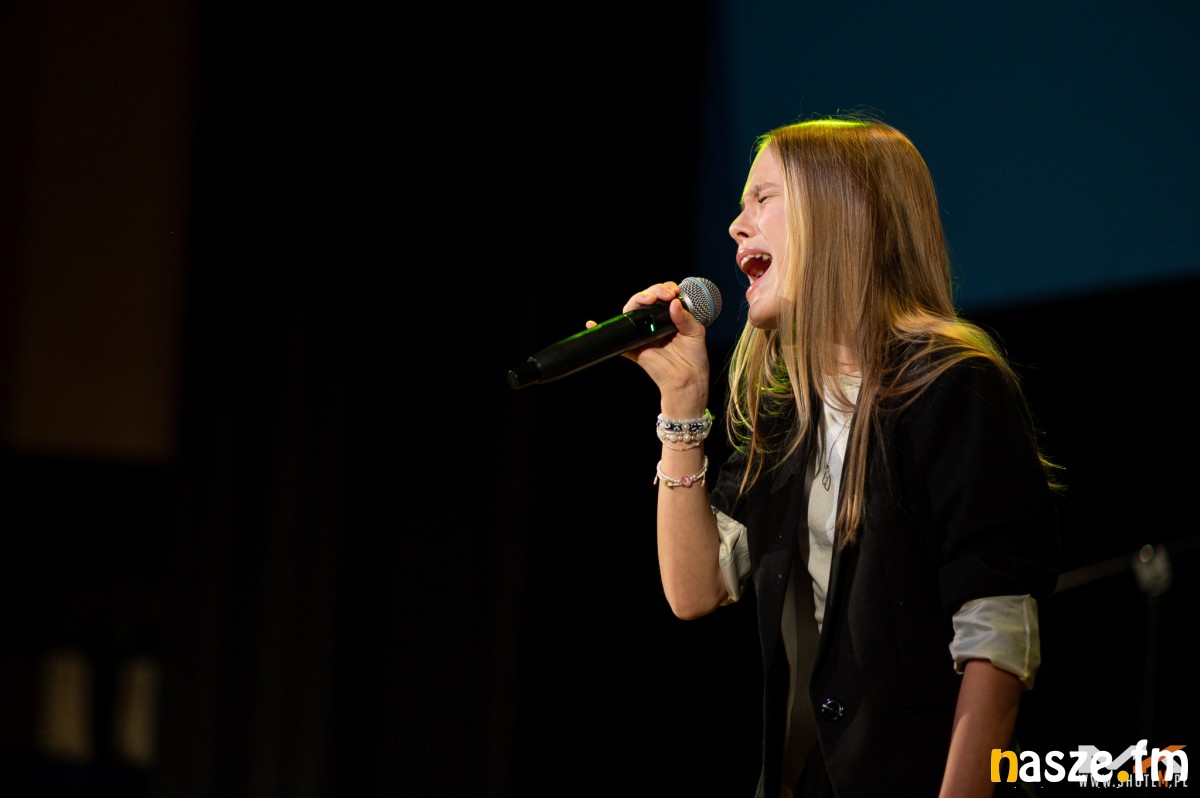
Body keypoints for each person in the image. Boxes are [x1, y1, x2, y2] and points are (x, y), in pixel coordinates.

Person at [600, 116, 1063, 797]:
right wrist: (682, 402)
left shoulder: (949, 385)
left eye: (763, 198)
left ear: (841, 214)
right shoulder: (788, 414)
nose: (736, 225)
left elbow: (997, 638)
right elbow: (695, 589)